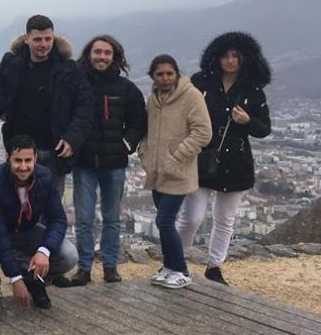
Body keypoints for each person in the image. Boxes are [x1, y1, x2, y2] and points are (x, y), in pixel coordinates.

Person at [176, 33, 272, 285]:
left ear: (244, 58)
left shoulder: (253, 90)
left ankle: (214, 266)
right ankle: (175, 260)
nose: (230, 61)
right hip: (201, 158)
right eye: (225, 56)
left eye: (235, 56)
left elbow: (264, 129)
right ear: (216, 58)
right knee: (192, 217)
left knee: (225, 219)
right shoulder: (200, 82)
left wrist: (247, 121)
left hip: (237, 161)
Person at [70, 36, 147, 285]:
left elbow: (138, 121)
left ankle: (110, 266)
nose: (102, 57)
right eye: (98, 52)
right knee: (84, 219)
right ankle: (84, 267)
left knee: (112, 218)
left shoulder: (126, 89)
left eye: (107, 53)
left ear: (114, 57)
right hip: (84, 162)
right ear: (89, 54)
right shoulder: (77, 85)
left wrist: (126, 144)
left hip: (114, 162)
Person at [0, 135, 79, 311]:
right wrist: (15, 277)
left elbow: (58, 219)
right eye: (18, 161)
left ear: (35, 158)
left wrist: (44, 251)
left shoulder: (45, 177)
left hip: (28, 229)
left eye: (28, 160)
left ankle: (35, 281)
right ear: (8, 157)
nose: (23, 167)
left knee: (69, 255)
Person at [0, 14, 93, 190]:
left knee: (52, 201)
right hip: (20, 149)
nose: (43, 44)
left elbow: (85, 105)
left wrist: (72, 138)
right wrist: (3, 110)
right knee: (17, 200)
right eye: (37, 39)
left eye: (48, 39)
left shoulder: (69, 68)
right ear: (27, 39)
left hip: (55, 149)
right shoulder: (11, 63)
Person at [138, 55, 212, 290]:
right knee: (164, 222)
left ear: (177, 73)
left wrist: (177, 157)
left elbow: (203, 132)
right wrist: (145, 155)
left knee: (164, 220)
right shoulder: (153, 99)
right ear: (153, 76)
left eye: (169, 73)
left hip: (179, 172)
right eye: (160, 74)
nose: (165, 78)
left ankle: (181, 269)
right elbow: (147, 131)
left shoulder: (191, 96)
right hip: (156, 173)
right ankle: (169, 266)